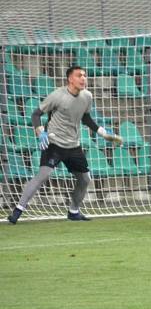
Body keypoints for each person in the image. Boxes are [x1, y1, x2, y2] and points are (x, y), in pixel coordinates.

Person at [7, 65, 123, 224]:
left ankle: (74, 211)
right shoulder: (57, 96)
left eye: (84, 75)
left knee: (85, 179)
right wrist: (40, 132)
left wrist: (104, 134)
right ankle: (18, 210)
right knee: (43, 175)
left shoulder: (87, 96)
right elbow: (36, 114)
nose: (83, 78)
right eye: (79, 75)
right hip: (54, 143)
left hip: (73, 145)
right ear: (70, 79)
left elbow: (86, 118)